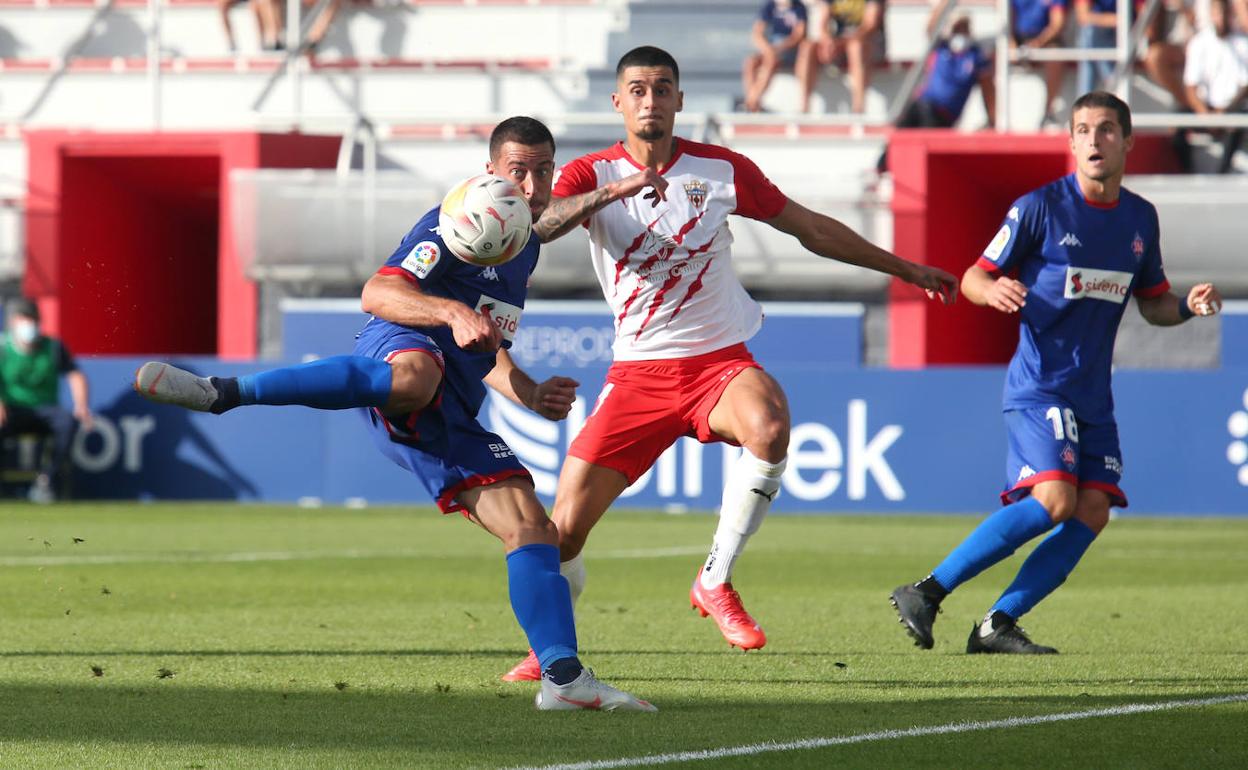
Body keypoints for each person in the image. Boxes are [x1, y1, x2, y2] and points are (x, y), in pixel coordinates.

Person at [133, 117, 656, 712]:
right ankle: (225, 391)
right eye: (519, 170)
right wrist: (449, 315)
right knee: (417, 374)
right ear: (492, 171)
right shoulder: (456, 220)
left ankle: (563, 679)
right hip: (398, 350)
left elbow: (494, 332)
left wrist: (530, 393)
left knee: (533, 529)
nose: (533, 185)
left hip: (449, 413)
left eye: (543, 170)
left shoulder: (521, 241)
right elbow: (378, 293)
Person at [500, 45, 958, 681]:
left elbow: (811, 229)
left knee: (769, 424)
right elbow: (538, 225)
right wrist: (622, 189)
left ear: (680, 100)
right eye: (637, 89)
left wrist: (905, 268)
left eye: (663, 88)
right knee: (561, 537)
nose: (650, 100)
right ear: (617, 102)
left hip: (717, 363)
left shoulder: (721, 169)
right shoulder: (591, 173)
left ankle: (714, 580)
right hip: (637, 374)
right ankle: (549, 645)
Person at [890, 91, 1224, 655]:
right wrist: (991, 288)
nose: (1096, 139)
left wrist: (1188, 306)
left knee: (1093, 509)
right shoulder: (1038, 208)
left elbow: (1154, 303)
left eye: (1108, 129)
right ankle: (928, 590)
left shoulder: (1140, 219)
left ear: (1129, 141)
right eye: (1085, 129)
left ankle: (998, 622)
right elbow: (973, 275)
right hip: (1040, 386)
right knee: (1055, 501)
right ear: (1071, 142)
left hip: (1094, 396)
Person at [876, 6, 995, 173]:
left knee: (923, 151)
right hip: (921, 104)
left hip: (942, 115)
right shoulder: (941, 47)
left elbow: (988, 90)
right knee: (898, 136)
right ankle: (880, 170)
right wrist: (944, 5)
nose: (960, 32)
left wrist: (992, 120)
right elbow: (931, 27)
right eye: (957, 27)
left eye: (964, 27)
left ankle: (907, 174)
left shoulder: (976, 57)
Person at [0, 297, 93, 503]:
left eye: (33, 318)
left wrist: (81, 405)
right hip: (11, 410)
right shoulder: (2, 348)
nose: (29, 324)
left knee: (67, 423)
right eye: (24, 318)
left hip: (45, 410)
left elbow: (75, 376)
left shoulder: (52, 347)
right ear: (13, 323)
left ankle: (46, 481)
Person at [1179, 0, 1248, 172]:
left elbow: (1245, 86)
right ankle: (1187, 173)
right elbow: (1191, 86)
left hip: (1232, 108)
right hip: (1206, 108)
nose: (1221, 18)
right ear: (1211, 14)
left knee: (1240, 120)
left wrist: (1225, 111)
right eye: (1218, 13)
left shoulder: (1243, 43)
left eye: (1225, 13)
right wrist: (1205, 113)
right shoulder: (1199, 42)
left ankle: (1222, 174)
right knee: (1178, 120)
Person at [797, 0, 887, 113]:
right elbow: (823, 21)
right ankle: (804, 107)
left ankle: (858, 108)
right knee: (807, 47)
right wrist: (827, 41)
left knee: (855, 47)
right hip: (841, 43)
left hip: (871, 44)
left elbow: (870, 25)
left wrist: (842, 42)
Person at [742, 0, 809, 112]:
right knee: (751, 62)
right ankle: (753, 100)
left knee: (771, 61)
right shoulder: (770, 6)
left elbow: (798, 35)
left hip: (790, 50)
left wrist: (779, 48)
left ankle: (751, 102)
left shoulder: (799, 7)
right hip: (771, 48)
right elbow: (757, 33)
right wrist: (768, 49)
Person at [1012, 0, 1069, 127]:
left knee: (1055, 55)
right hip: (1019, 40)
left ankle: (1048, 113)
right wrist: (1011, 43)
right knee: (989, 62)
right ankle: (993, 118)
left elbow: (1057, 24)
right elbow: (1007, 18)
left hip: (1047, 40)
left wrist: (1038, 43)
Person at [1075, 0, 1118, 96]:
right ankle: (1115, 91)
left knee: (1091, 35)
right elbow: (1083, 16)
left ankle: (1086, 99)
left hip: (1113, 40)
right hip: (1096, 42)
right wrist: (1118, 20)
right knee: (1090, 31)